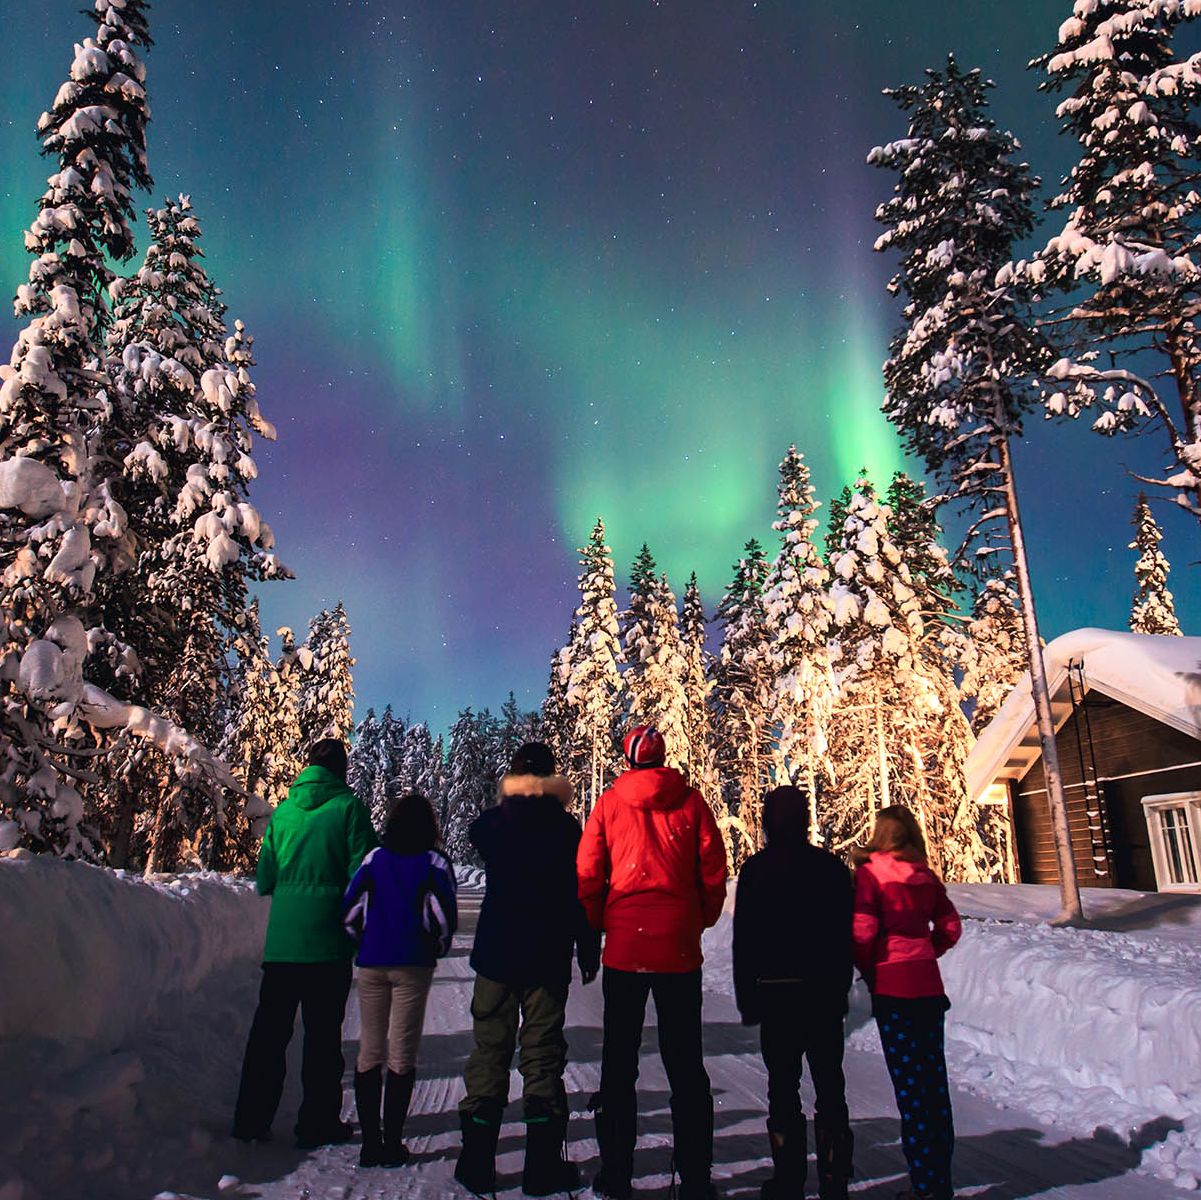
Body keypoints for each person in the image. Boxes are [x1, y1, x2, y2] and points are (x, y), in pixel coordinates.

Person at [577, 724, 728, 1200]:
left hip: (626, 948)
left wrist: (603, 919)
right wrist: (698, 918)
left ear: (629, 759)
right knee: (685, 1063)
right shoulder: (691, 802)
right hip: (678, 949)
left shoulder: (608, 803)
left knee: (619, 1063)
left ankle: (616, 1175)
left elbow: (587, 871)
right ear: (662, 758)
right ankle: (696, 1179)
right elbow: (713, 868)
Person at [455, 742, 601, 1198]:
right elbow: (581, 894)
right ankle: (541, 1169)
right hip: (547, 957)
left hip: (497, 955)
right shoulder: (567, 828)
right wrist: (587, 949)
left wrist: (510, 799)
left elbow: (477, 831)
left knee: (489, 1053)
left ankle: (477, 1164)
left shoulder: (498, 821)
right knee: (541, 1057)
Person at [233, 738, 378, 1147]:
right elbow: (365, 871)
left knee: (269, 1034)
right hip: (328, 944)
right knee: (322, 1038)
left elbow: (265, 877)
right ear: (341, 771)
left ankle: (251, 1120)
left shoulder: (283, 812)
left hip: (282, 945)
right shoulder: (349, 809)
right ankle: (317, 1123)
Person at [733, 785, 855, 1200]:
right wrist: (841, 990)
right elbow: (844, 936)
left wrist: (747, 999)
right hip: (821, 995)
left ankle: (788, 1181)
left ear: (767, 822)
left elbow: (744, 941)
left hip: (776, 995)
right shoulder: (831, 869)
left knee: (782, 1088)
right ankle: (835, 1180)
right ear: (805, 820)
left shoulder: (755, 870)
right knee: (830, 1087)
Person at [342, 792, 458, 1168]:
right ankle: (392, 1143)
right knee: (401, 1053)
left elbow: (351, 908)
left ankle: (369, 1144)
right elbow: (442, 916)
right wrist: (435, 947)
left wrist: (364, 942)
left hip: (373, 962)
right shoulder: (435, 862)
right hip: (413, 964)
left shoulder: (375, 858)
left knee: (369, 1051)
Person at [852, 805, 962, 1200]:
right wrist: (927, 951)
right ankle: (939, 1181)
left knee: (910, 1090)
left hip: (893, 991)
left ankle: (924, 1186)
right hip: (928, 990)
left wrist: (870, 966)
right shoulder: (925, 876)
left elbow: (863, 929)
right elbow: (951, 926)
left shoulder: (870, 875)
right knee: (934, 1088)